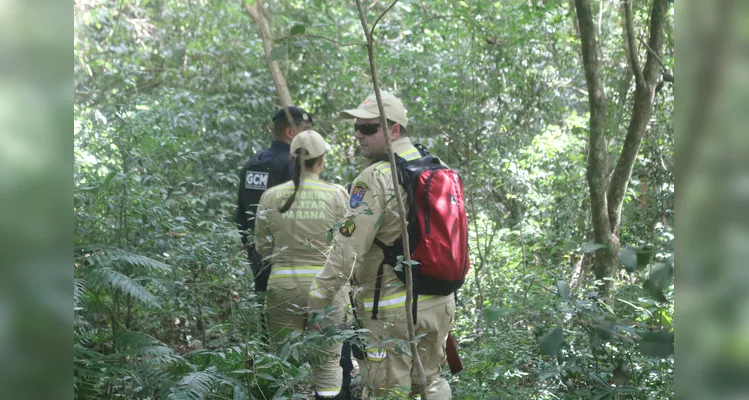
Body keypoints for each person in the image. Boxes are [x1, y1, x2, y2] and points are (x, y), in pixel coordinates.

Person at [308, 92, 455, 399]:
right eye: (357, 128)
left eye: (370, 128)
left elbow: (347, 248)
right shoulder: (437, 166)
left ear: (395, 129)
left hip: (391, 310)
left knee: (386, 390)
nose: (359, 135)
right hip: (440, 302)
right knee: (431, 381)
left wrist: (319, 297)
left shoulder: (375, 177)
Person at [254, 130, 353, 400]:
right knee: (328, 363)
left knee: (284, 363)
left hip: (283, 288)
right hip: (327, 290)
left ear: (291, 158)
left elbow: (262, 247)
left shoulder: (271, 196)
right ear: (321, 160)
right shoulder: (336, 195)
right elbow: (349, 245)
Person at [236, 106, 312, 292]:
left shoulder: (253, 163)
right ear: (290, 132)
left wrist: (252, 251)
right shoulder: (293, 165)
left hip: (257, 255)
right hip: (286, 260)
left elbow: (241, 215)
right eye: (306, 131)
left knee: (266, 311)